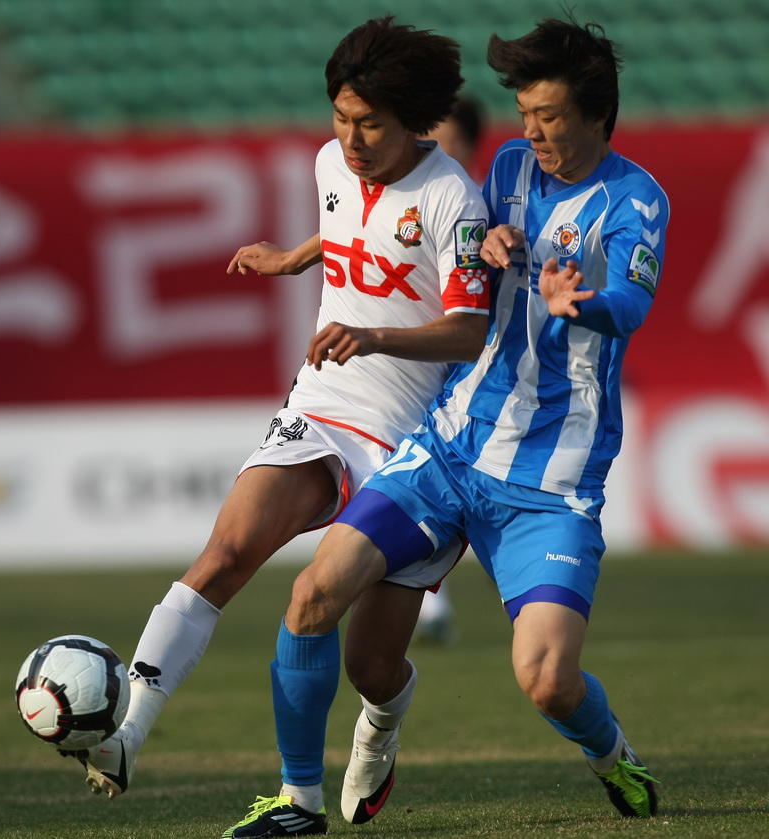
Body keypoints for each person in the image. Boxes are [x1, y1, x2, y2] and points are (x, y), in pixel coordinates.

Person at [59, 11, 491, 825]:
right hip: (324, 405)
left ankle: (383, 720)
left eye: (371, 124)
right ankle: (132, 736)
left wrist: (374, 334)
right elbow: (353, 231)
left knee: (371, 666)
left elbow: (469, 330)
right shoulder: (331, 163)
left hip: (419, 445)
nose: (351, 138)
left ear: (414, 121)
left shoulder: (452, 200)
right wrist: (297, 255)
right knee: (226, 552)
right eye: (341, 116)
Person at [243, 14, 669, 835]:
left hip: (548, 480)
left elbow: (631, 302)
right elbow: (451, 243)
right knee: (316, 599)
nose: (531, 131)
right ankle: (297, 802)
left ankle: (613, 754)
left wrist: (581, 302)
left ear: (596, 115)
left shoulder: (637, 199)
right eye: (525, 113)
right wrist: (496, 239)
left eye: (548, 116)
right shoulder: (508, 166)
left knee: (547, 680)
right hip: (450, 445)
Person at [415, 95, 487, 645]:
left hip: (463, 365)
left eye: (448, 139)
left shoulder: (478, 206)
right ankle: (429, 604)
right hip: (415, 359)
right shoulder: (414, 196)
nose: (437, 148)